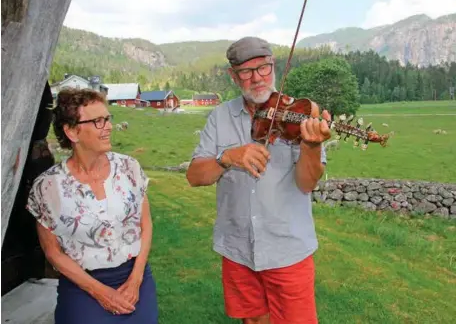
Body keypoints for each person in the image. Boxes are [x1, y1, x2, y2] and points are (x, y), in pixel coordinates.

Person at [186, 36, 331, 324]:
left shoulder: (298, 115)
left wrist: (311, 146)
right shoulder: (220, 117)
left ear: (273, 66)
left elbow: (306, 184)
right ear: (233, 75)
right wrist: (226, 158)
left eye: (263, 68)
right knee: (252, 321)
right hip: (237, 247)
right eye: (246, 72)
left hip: (287, 250)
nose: (257, 78)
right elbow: (194, 176)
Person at [25, 88, 158, 324]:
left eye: (107, 118)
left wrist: (136, 280)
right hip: (81, 286)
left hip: (135, 278)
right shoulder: (47, 187)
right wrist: (100, 292)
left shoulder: (130, 168)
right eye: (97, 121)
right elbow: (53, 252)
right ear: (72, 131)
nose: (108, 126)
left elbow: (145, 226)